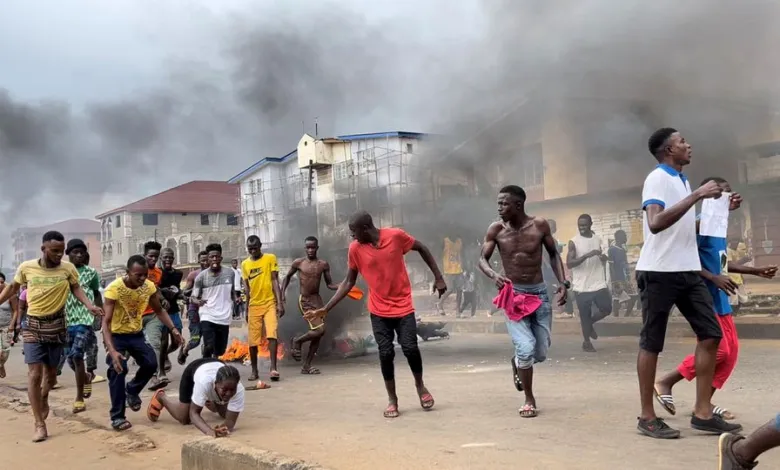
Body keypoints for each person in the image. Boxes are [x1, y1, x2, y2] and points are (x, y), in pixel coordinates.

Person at [635, 127, 743, 439]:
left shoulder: (680, 180)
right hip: (658, 272)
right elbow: (656, 223)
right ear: (669, 150)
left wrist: (721, 205)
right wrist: (697, 195)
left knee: (711, 335)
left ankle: (702, 412)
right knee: (651, 342)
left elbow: (682, 223)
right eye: (682, 141)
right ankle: (646, 416)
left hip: (687, 270)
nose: (689, 145)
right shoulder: (658, 178)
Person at [654, 177, 777, 422]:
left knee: (730, 355)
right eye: (722, 194)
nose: (730, 198)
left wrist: (754, 271)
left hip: (719, 296)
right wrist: (712, 277)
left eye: (731, 194)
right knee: (718, 351)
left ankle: (705, 404)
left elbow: (719, 262)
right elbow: (683, 257)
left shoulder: (717, 226)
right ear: (709, 197)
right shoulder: (698, 225)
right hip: (702, 295)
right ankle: (666, 381)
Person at [306, 211, 446, 418]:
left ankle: (420, 386)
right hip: (378, 310)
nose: (352, 236)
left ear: (365, 228)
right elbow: (348, 282)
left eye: (353, 231)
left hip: (403, 305)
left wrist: (439, 277)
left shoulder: (396, 236)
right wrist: (326, 308)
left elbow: (422, 248)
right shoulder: (355, 249)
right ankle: (392, 399)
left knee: (410, 348)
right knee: (386, 353)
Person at [0, 231, 103, 442]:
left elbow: (76, 288)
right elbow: (13, 287)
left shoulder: (68, 269)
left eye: (61, 251)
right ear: (43, 249)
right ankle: (39, 423)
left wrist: (90, 305)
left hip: (57, 326)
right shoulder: (26, 267)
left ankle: (44, 396)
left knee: (51, 376)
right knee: (34, 375)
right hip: (33, 326)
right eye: (54, 251)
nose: (59, 255)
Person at [478, 185, 568, 418]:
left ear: (518, 205)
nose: (499, 208)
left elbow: (553, 254)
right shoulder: (496, 229)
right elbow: (482, 259)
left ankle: (518, 361)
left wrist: (563, 282)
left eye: (504, 203)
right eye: (498, 203)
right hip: (513, 295)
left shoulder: (539, 225)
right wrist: (493, 274)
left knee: (539, 352)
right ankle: (529, 399)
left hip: (539, 294)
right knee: (526, 347)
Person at [102, 255, 182, 431]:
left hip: (136, 334)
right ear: (128, 273)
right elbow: (105, 323)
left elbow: (159, 310)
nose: (142, 278)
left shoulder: (148, 287)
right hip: (116, 336)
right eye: (138, 275)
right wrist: (112, 349)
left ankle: (132, 390)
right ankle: (117, 416)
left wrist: (174, 330)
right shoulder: (114, 289)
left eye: (145, 274)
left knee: (151, 363)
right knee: (118, 369)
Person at [281, 236, 339, 374]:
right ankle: (297, 341)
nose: (311, 250)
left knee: (318, 335)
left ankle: (306, 366)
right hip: (305, 301)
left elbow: (330, 284)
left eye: (313, 247)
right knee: (320, 330)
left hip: (317, 301)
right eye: (308, 247)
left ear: (317, 248)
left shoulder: (323, 264)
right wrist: (282, 294)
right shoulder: (299, 263)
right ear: (305, 248)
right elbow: (287, 277)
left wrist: (342, 286)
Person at [146, 358, 244, 438]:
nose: (229, 393)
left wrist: (223, 429)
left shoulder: (238, 389)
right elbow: (194, 413)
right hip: (194, 369)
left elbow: (230, 422)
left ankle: (206, 399)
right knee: (184, 418)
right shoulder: (204, 382)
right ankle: (161, 397)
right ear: (215, 383)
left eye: (232, 390)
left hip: (216, 365)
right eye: (224, 389)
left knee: (224, 414)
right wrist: (210, 432)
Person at [62, 239, 103, 413]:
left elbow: (95, 293)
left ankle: (79, 399)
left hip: (84, 320)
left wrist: (100, 316)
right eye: (74, 252)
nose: (78, 255)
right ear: (68, 255)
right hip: (65, 321)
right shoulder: (62, 272)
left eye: (81, 252)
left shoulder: (91, 273)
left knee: (78, 355)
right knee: (70, 358)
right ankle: (86, 377)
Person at [567, 214, 612, 352]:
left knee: (606, 309)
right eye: (580, 225)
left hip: (598, 283)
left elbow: (601, 257)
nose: (582, 227)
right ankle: (586, 342)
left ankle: (590, 323)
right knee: (584, 315)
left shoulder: (598, 239)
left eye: (584, 225)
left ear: (591, 224)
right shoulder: (574, 241)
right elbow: (569, 263)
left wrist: (603, 257)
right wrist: (587, 255)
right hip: (582, 286)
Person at [242, 236, 284, 382]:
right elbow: (247, 289)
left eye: (255, 248)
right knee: (253, 341)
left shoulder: (270, 258)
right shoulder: (245, 264)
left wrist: (279, 303)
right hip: (254, 305)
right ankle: (254, 371)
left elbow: (274, 281)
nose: (253, 251)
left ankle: (273, 368)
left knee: (272, 334)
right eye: (250, 248)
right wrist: (246, 310)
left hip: (269, 303)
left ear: (260, 246)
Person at [193, 244, 235, 359]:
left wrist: (235, 302)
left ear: (221, 258)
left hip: (224, 316)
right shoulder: (201, 277)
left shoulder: (230, 273)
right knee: (209, 346)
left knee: (220, 350)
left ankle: (214, 360)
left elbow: (233, 292)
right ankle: (205, 364)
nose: (215, 259)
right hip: (207, 314)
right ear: (208, 259)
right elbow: (193, 297)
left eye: (217, 256)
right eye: (212, 257)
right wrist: (198, 301)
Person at [152, 247, 184, 390]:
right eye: (165, 257)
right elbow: (155, 290)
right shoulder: (157, 274)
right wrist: (164, 293)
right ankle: (162, 371)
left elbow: (177, 291)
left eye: (170, 257)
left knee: (177, 340)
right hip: (161, 311)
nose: (168, 260)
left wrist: (183, 294)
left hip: (174, 310)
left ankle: (164, 355)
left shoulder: (178, 274)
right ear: (161, 258)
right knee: (163, 340)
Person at [140, 241, 168, 390]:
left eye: (156, 257)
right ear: (145, 255)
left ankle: (155, 377)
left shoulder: (158, 273)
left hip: (152, 313)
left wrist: (162, 299)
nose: (153, 259)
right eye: (151, 256)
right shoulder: (137, 269)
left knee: (154, 344)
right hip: (135, 315)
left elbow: (156, 289)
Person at [178, 251, 209, 365]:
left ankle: (205, 361)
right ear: (198, 261)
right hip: (194, 310)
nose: (205, 262)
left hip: (209, 311)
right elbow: (184, 292)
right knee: (195, 339)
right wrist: (196, 289)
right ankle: (185, 350)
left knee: (209, 339)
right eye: (203, 260)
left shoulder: (215, 275)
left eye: (207, 260)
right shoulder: (193, 275)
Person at [608, 230, 638, 317]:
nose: (626, 238)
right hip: (617, 278)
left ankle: (626, 315)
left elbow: (625, 264)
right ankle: (616, 316)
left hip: (625, 278)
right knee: (617, 298)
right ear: (619, 237)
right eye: (624, 236)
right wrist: (614, 281)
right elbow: (611, 266)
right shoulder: (612, 250)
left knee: (634, 296)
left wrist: (628, 276)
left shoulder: (623, 249)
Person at [436, 235, 463, 315]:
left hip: (458, 269)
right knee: (450, 289)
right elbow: (439, 256)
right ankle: (440, 303)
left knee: (460, 290)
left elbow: (460, 255)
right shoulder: (445, 241)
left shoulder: (459, 241)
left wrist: (462, 266)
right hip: (448, 270)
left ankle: (458, 310)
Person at [0, 272, 19, 379]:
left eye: (2, 282)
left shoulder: (10, 295)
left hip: (6, 327)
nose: (0, 284)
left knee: (5, 351)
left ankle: (1, 364)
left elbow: (16, 310)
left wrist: (12, 324)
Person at [727, 238, 751, 312]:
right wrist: (743, 260)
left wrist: (742, 277)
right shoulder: (727, 251)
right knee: (733, 299)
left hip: (738, 278)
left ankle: (735, 313)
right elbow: (729, 266)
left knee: (743, 298)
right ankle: (732, 314)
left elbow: (738, 267)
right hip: (730, 279)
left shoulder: (736, 251)